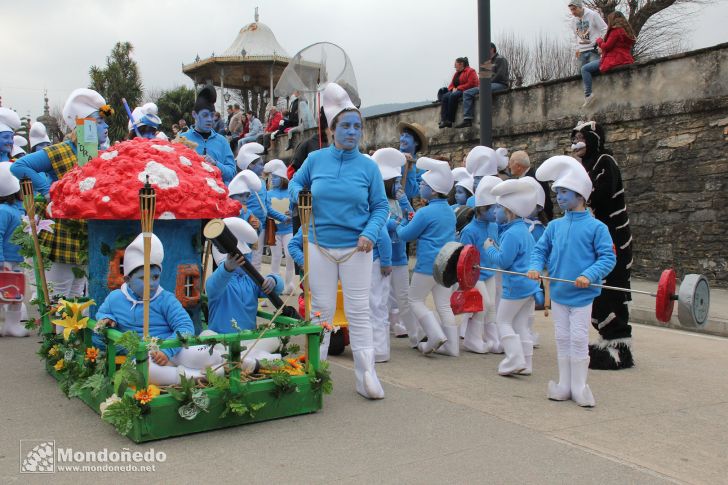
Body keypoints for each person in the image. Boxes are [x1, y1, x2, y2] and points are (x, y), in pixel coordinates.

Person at [289, 82, 389, 400]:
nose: (352, 131)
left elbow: (381, 207)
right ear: (332, 129)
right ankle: (316, 372)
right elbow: (294, 183)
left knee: (359, 311)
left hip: (356, 249)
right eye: (345, 125)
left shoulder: (369, 167)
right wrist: (299, 195)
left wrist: (370, 234)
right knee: (321, 311)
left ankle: (367, 375)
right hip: (319, 246)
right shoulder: (316, 160)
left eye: (357, 126)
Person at [529, 155, 616, 406]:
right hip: (558, 293)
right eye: (557, 192)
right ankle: (564, 384)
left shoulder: (597, 228)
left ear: (580, 194)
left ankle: (579, 386)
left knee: (578, 338)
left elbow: (607, 258)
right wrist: (535, 267)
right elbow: (539, 251)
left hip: (581, 295)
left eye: (564, 192)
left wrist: (588, 275)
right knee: (562, 338)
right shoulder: (554, 226)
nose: (559, 197)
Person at [11, 88, 113, 300]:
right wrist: (49, 190)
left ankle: (71, 334)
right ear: (84, 124)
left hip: (84, 235)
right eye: (99, 121)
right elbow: (20, 166)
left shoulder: (98, 155)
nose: (106, 127)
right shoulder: (61, 150)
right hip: (61, 235)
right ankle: (54, 333)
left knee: (78, 293)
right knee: (59, 295)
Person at [94, 234, 222, 386]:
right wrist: (107, 319)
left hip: (172, 348)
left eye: (155, 277)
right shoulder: (115, 298)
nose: (151, 283)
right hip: (143, 355)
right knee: (143, 370)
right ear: (128, 280)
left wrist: (167, 351)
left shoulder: (165, 299)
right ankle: (194, 376)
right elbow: (102, 314)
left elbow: (185, 326)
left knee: (201, 356)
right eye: (143, 278)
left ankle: (220, 360)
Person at [572, 120, 634, 370]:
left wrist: (579, 188)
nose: (576, 141)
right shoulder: (586, 165)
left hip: (614, 238)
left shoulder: (605, 162)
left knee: (610, 290)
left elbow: (600, 195)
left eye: (581, 137)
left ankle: (619, 345)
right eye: (574, 136)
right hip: (597, 238)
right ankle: (607, 339)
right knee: (598, 292)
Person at [390, 158, 456, 355]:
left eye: (424, 184)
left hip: (427, 265)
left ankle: (435, 335)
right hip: (447, 264)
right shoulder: (450, 211)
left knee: (415, 300)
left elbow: (405, 235)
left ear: (434, 190)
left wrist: (396, 223)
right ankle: (452, 347)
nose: (420, 185)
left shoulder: (425, 212)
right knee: (444, 304)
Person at [482, 178, 540, 376]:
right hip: (528, 286)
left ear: (509, 211)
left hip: (515, 286)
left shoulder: (512, 233)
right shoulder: (523, 230)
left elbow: (504, 261)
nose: (495, 211)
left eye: (498, 207)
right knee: (521, 325)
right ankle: (527, 363)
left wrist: (489, 249)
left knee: (503, 321)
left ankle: (514, 359)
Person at [372, 148, 423, 347]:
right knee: (381, 301)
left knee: (404, 298)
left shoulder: (400, 199)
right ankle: (380, 340)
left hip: (399, 257)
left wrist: (406, 205)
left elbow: (412, 218)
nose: (397, 185)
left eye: (397, 181)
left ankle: (415, 336)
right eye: (393, 181)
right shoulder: (376, 201)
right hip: (379, 259)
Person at [206, 217, 282, 333]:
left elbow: (275, 289)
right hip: (221, 340)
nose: (246, 261)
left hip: (248, 340)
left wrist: (274, 280)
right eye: (243, 258)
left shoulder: (250, 280)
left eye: (247, 256)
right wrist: (227, 268)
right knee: (207, 335)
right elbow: (212, 287)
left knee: (274, 339)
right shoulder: (220, 281)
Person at [458, 175, 502, 354]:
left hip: (489, 272)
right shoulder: (469, 230)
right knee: (482, 304)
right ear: (482, 209)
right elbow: (463, 256)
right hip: (474, 275)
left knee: (490, 306)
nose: (497, 212)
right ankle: (472, 339)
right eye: (494, 208)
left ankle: (493, 339)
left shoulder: (494, 226)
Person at [236, 142, 285, 271]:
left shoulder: (262, 182)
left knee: (257, 260)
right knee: (245, 258)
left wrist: (283, 218)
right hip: (247, 225)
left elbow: (266, 208)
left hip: (261, 227)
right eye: (260, 164)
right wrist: (250, 218)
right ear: (251, 165)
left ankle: (254, 288)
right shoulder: (242, 180)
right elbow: (239, 204)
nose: (263, 167)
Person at [180, 86, 236, 185]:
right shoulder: (182, 139)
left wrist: (215, 164)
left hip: (218, 196)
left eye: (212, 115)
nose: (210, 119)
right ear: (194, 114)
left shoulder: (222, 141)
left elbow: (232, 173)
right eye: (205, 115)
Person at [0, 162, 28, 337]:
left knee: (15, 293)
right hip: (6, 260)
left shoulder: (11, 209)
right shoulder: (4, 211)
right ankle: (11, 325)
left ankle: (12, 325)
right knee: (5, 293)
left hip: (15, 258)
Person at [455, 43, 510, 129]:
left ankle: (480, 118)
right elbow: (483, 77)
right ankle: (467, 119)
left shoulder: (500, 59)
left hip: (500, 84)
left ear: (492, 49)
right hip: (489, 84)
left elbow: (500, 75)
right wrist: (483, 84)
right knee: (467, 92)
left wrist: (486, 84)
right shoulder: (488, 62)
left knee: (482, 90)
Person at [263, 159, 295, 294]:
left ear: (282, 178)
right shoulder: (268, 193)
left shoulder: (291, 191)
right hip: (274, 230)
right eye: (271, 177)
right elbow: (267, 210)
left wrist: (293, 213)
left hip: (288, 230)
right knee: (275, 257)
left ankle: (289, 283)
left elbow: (296, 208)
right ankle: (275, 284)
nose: (273, 180)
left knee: (289, 255)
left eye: (276, 177)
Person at [568, 0, 608, 107]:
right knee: (581, 73)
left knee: (592, 70)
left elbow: (605, 29)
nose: (573, 12)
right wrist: (577, 48)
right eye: (571, 10)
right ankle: (589, 96)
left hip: (593, 49)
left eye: (574, 9)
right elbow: (575, 36)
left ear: (580, 7)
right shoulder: (573, 21)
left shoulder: (593, 15)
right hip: (581, 51)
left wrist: (601, 44)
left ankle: (592, 96)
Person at [508, 150, 554, 221]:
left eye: (510, 163)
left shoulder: (536, 178)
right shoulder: (528, 177)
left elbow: (545, 203)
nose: (509, 166)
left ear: (518, 166)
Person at [438, 57, 479, 129]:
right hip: (456, 90)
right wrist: (452, 89)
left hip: (465, 90)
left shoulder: (471, 71)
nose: (454, 66)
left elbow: (472, 84)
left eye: (455, 64)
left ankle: (450, 120)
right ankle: (444, 120)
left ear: (461, 64)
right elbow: (451, 84)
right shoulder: (456, 74)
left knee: (453, 96)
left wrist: (458, 88)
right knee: (445, 97)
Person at [396, 121, 428, 201]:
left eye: (407, 136)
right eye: (402, 135)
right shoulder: (390, 157)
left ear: (416, 142)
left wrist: (409, 168)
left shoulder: (420, 169)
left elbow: (410, 194)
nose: (402, 139)